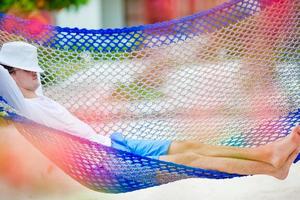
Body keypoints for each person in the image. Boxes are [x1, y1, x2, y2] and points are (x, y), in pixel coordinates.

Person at [0, 41, 299, 180]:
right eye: (26, 70)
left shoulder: (38, 97)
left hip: (113, 143)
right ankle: (268, 165)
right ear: (10, 75)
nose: (35, 74)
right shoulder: (23, 106)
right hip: (105, 166)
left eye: (34, 68)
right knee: (190, 160)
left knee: (189, 145)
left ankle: (269, 155)